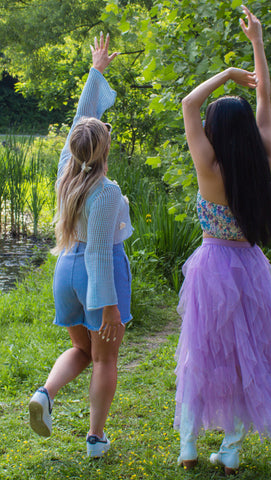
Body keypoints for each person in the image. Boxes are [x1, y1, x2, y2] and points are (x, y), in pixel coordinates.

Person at [174, 6, 271, 475]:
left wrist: (227, 74)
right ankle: (229, 452)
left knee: (199, 355)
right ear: (246, 130)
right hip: (249, 267)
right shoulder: (261, 158)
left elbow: (188, 104)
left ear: (213, 130)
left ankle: (188, 446)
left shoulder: (209, 167)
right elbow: (265, 98)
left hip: (211, 267)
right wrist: (258, 46)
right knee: (248, 354)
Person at [28, 32, 133, 458]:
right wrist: (108, 305)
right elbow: (98, 254)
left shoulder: (65, 172)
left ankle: (45, 395)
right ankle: (96, 438)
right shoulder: (106, 191)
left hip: (64, 272)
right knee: (105, 360)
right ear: (103, 149)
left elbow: (82, 119)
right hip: (96, 273)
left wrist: (96, 71)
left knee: (80, 350)